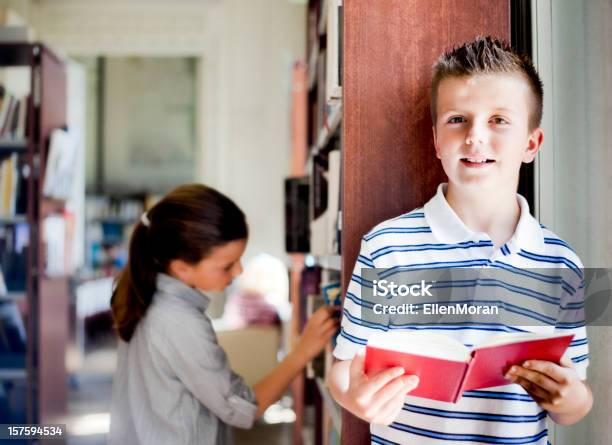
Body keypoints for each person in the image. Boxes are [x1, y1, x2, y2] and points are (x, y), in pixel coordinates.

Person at [328, 36, 593, 444]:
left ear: (531, 143)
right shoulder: (386, 246)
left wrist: (570, 400)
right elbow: (343, 370)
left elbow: (575, 401)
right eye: (457, 119)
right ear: (436, 140)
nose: (475, 137)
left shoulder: (562, 263)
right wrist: (356, 400)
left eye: (499, 120)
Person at [108, 184, 337, 444]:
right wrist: (302, 352)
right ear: (182, 268)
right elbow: (243, 409)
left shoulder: (146, 295)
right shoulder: (181, 322)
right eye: (227, 265)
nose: (239, 271)